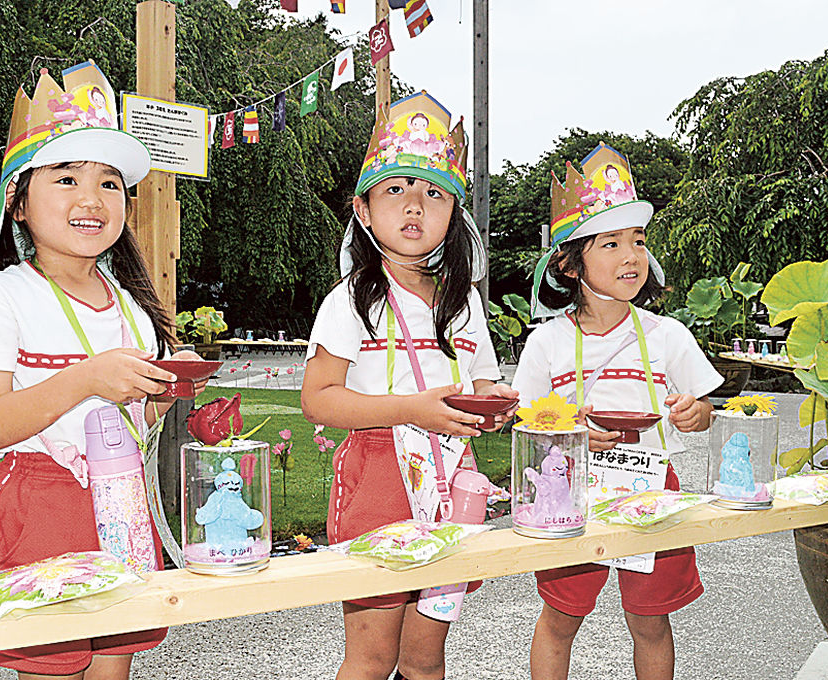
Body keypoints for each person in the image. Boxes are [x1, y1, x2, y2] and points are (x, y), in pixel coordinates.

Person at [0, 61, 205, 680]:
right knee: (53, 666)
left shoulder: (130, 303)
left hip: (125, 501)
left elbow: (133, 417)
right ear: (18, 202)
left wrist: (168, 392)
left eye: (110, 183)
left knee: (113, 666)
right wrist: (86, 377)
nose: (91, 198)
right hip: (41, 502)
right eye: (65, 178)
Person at [301, 91, 517, 680]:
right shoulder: (350, 300)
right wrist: (412, 409)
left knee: (425, 659)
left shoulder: (464, 302)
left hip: (452, 482)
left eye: (434, 193)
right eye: (395, 189)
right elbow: (317, 399)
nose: (415, 204)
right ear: (364, 210)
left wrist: (494, 406)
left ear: (454, 214)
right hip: (378, 478)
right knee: (372, 658)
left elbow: (483, 384)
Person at [513, 142, 723, 680]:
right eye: (611, 243)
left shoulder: (666, 334)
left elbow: (703, 407)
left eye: (638, 241)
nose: (631, 256)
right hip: (570, 493)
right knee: (560, 618)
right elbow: (526, 422)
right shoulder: (546, 343)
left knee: (649, 621)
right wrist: (571, 430)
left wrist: (696, 413)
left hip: (652, 488)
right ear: (570, 263)